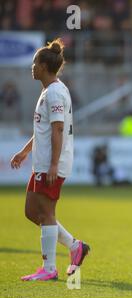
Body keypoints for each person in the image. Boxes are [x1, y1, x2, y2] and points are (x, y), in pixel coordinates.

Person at [10, 39, 90, 281]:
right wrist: (25, 151)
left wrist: (54, 164)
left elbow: (57, 130)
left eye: (35, 63)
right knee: (31, 211)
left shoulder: (55, 92)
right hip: (43, 162)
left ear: (44, 66)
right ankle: (75, 246)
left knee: (46, 213)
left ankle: (49, 268)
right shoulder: (50, 90)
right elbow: (43, 131)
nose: (32, 67)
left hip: (51, 163)